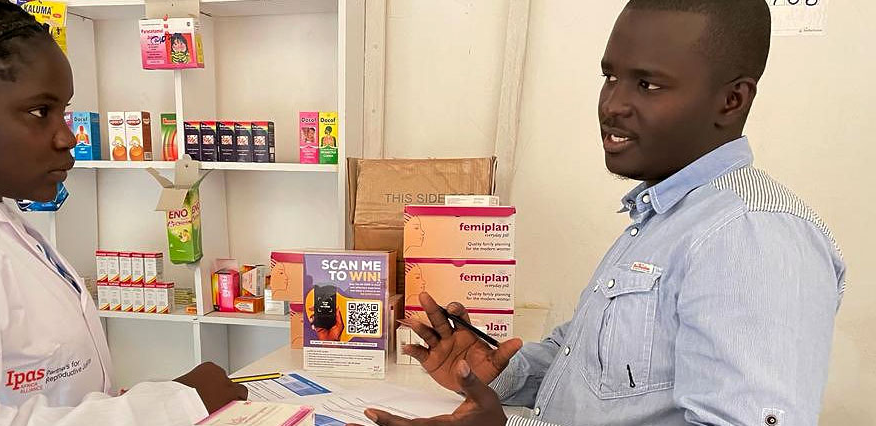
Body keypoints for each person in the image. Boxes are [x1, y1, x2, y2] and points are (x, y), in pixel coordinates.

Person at [357, 1, 846, 425]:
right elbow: (593, 374)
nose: (613, 105)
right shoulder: (661, 220)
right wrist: (498, 372)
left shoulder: (750, 234)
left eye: (649, 85)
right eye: (611, 77)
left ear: (731, 100)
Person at [0, 1, 246, 425]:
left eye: (64, 111)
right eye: (40, 112)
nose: (67, 137)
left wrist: (157, 399)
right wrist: (173, 405)